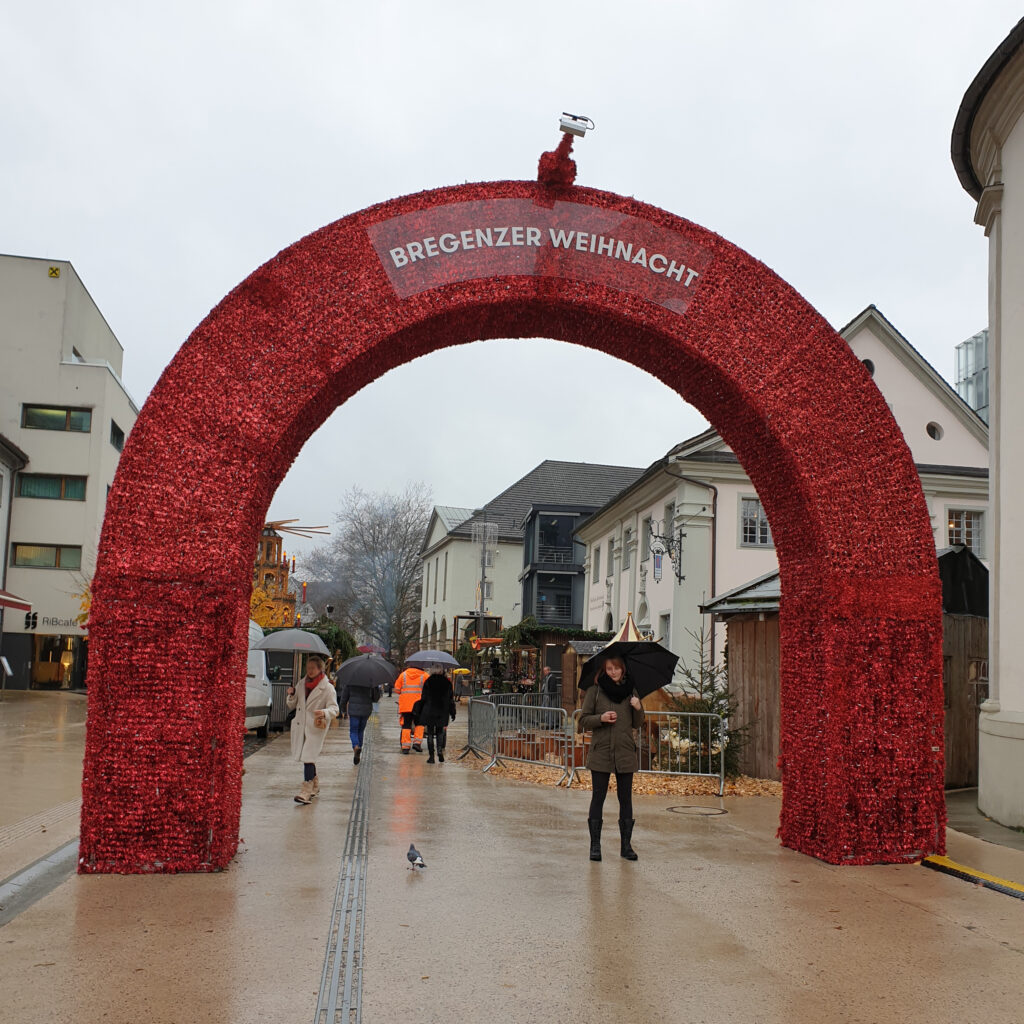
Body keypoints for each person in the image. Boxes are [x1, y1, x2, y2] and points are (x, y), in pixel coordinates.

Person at [577, 655, 644, 862]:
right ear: (603, 670)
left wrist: (638, 707)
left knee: (626, 799)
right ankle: (595, 846)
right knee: (598, 797)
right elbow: (583, 721)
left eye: (616, 668)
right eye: (609, 669)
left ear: (623, 669)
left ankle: (626, 846)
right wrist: (601, 719)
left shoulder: (631, 691)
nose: (613, 672)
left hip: (624, 751)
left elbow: (637, 723)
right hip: (601, 751)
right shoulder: (595, 691)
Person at [286, 654, 339, 804]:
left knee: (308, 757)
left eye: (312, 668)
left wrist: (324, 712)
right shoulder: (301, 684)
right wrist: (291, 695)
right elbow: (292, 704)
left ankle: (306, 791)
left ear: (320, 669)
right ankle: (315, 785)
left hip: (316, 727)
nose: (309, 671)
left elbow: (335, 709)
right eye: (308, 668)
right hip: (300, 725)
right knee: (307, 757)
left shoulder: (327, 688)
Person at [338, 675, 381, 766]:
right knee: (361, 731)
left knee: (354, 731)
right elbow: (376, 698)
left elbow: (344, 697)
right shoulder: (370, 681)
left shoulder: (350, 681)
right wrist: (375, 687)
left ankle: (356, 747)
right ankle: (358, 749)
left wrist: (343, 709)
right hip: (366, 710)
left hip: (354, 710)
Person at [417, 668, 456, 763]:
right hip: (442, 711)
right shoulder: (447, 683)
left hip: (430, 710)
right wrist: (452, 712)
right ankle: (439, 751)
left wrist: (419, 711)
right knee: (440, 732)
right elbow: (451, 699)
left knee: (430, 733)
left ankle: (431, 756)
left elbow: (423, 698)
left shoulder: (428, 682)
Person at [394, 665, 427, 753]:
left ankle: (405, 747)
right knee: (419, 724)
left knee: (406, 725)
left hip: (406, 705)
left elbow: (397, 689)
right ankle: (417, 743)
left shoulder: (403, 675)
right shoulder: (425, 675)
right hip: (419, 705)